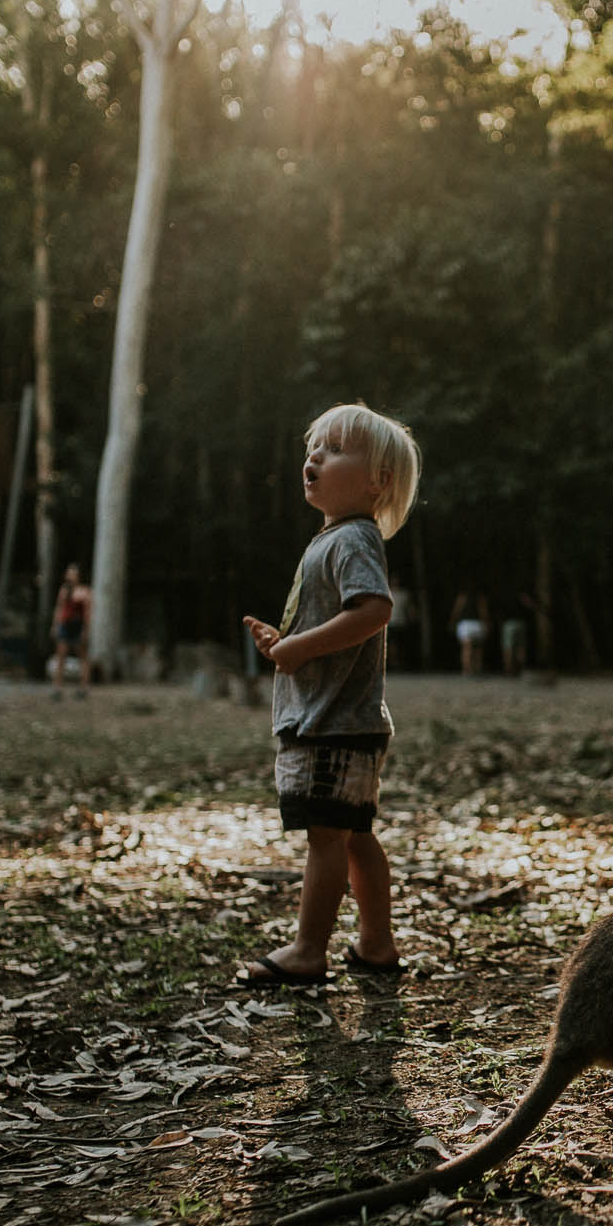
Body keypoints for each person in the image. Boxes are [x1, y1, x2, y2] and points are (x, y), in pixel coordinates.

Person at [235, 402, 421, 987]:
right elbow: (336, 621)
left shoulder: (354, 539)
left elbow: (373, 610)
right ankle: (376, 945)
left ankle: (309, 950)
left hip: (335, 723)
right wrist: (285, 642)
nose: (315, 456)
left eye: (335, 449)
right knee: (354, 834)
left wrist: (302, 649)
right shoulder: (334, 539)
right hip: (342, 718)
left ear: (378, 482)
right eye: (313, 447)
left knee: (326, 838)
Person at [50, 562, 91, 699]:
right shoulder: (64, 590)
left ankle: (83, 688)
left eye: (73, 573)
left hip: (77, 626)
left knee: (82, 658)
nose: (70, 576)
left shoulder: (84, 591)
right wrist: (55, 625)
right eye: (69, 573)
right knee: (61, 656)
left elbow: (87, 613)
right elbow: (59, 608)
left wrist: (86, 630)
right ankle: (57, 689)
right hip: (65, 625)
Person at [449, 586, 489, 676]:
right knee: (478, 648)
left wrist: (452, 622)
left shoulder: (462, 597)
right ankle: (477, 668)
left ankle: (467, 669)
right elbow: (483, 611)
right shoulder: (480, 597)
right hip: (478, 624)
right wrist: (486, 623)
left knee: (466, 648)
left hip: (466, 624)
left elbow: (456, 611)